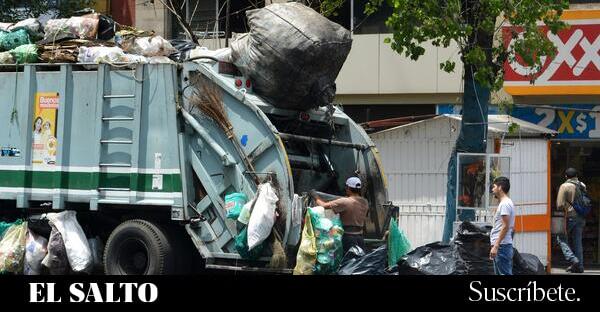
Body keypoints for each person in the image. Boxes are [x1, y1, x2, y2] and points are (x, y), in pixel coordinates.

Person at [313, 177, 369, 254]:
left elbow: (323, 205)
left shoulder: (345, 202)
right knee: (358, 262)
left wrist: (315, 196)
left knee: (348, 262)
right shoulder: (365, 202)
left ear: (348, 188)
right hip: (360, 237)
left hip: (348, 238)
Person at [556, 167, 586, 273]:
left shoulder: (565, 186)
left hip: (569, 216)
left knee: (561, 238)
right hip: (581, 216)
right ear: (576, 175)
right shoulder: (582, 185)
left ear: (566, 176)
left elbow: (559, 204)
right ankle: (580, 267)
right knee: (577, 241)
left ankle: (573, 260)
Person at [489, 176, 516, 275]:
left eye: (494, 186)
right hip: (502, 246)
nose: (492, 189)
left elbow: (505, 226)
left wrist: (496, 246)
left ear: (500, 187)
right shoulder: (504, 203)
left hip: (502, 247)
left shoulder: (505, 204)